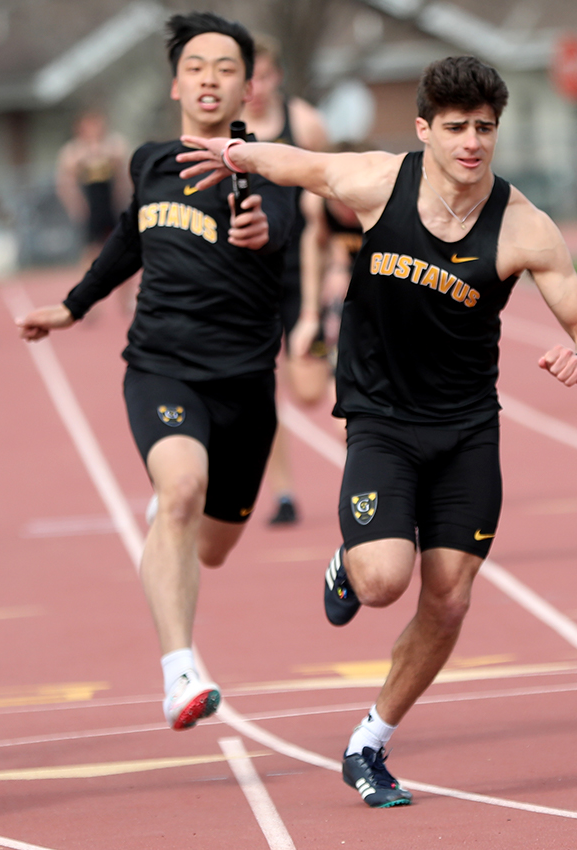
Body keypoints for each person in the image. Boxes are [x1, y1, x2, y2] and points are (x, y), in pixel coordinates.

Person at [178, 55, 577, 807]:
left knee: (448, 600)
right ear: (425, 130)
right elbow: (303, 166)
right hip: (382, 420)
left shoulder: (523, 226)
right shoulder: (384, 183)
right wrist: (235, 151)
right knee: (383, 581)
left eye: (485, 128)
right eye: (455, 128)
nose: (472, 143)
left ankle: (369, 742)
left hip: (469, 430)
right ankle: (347, 566)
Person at [18, 12, 292, 733]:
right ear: (176, 83)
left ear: (248, 87)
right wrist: (74, 306)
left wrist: (261, 234)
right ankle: (179, 674)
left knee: (213, 545)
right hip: (162, 367)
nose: (209, 77)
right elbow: (126, 240)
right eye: (196, 65)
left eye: (225, 67)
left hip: (245, 385)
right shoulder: (150, 162)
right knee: (179, 492)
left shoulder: (273, 168)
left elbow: (281, 234)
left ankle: (170, 521)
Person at [242, 36, 327, 527]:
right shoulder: (223, 133)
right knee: (261, 391)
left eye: (265, 77)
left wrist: (316, 304)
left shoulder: (306, 124)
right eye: (247, 79)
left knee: (312, 391)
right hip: (249, 282)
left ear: (277, 76)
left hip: (300, 274)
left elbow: (323, 217)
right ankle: (284, 494)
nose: (256, 89)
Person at [55, 110, 133, 312]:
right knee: (91, 254)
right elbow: (65, 183)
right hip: (92, 208)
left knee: (124, 251)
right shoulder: (73, 151)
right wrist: (76, 206)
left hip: (113, 206)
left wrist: (126, 200)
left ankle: (126, 300)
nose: (94, 129)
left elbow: (125, 175)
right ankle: (88, 300)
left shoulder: (114, 145)